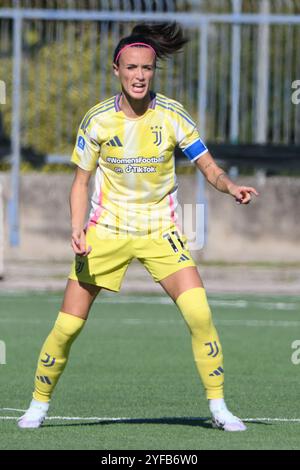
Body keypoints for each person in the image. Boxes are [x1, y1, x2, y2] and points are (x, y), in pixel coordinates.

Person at [18, 22, 258, 431]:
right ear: (117, 70)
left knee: (199, 312)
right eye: (131, 67)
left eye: (147, 68)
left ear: (154, 71)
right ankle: (38, 404)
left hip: (158, 231)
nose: (140, 75)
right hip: (105, 232)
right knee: (67, 326)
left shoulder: (173, 115)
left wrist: (229, 186)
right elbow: (80, 182)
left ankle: (218, 408)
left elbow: (208, 166)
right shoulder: (96, 120)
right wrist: (77, 228)